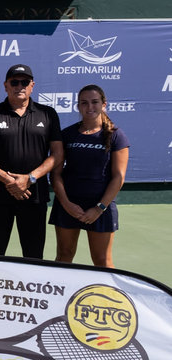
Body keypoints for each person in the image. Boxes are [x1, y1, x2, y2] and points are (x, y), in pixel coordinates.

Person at [0, 64, 63, 259]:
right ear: (6, 85)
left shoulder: (47, 114)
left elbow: (57, 154)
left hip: (34, 195)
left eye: (25, 82)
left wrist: (30, 178)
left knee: (33, 255)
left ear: (32, 85)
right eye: (14, 82)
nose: (19, 86)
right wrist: (9, 181)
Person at [49, 84, 129, 267]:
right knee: (64, 255)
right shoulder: (67, 135)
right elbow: (56, 174)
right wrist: (67, 204)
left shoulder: (116, 136)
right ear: (78, 106)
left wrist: (99, 208)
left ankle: (106, 295)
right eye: (84, 103)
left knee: (102, 260)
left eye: (95, 102)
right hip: (69, 205)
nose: (90, 107)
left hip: (101, 207)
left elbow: (119, 177)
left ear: (104, 104)